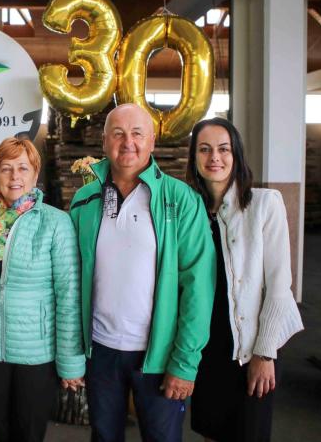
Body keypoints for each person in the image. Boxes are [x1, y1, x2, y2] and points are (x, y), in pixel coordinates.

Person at [69, 103, 216, 442]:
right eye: (118, 134)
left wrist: (185, 362)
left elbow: (198, 286)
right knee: (104, 436)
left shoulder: (180, 201)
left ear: (152, 142)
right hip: (100, 350)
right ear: (104, 142)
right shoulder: (84, 200)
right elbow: (69, 280)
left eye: (137, 134)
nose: (128, 142)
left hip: (160, 354)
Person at [186, 117, 304, 442]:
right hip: (208, 346)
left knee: (248, 433)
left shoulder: (264, 204)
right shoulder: (192, 210)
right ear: (194, 158)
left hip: (248, 346)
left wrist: (265, 355)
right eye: (205, 150)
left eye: (224, 149)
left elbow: (280, 289)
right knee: (212, 430)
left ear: (236, 154)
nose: (215, 158)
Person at [0, 137, 85, 442]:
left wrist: (70, 362)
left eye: (23, 168)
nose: (14, 176)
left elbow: (68, 295)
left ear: (35, 174)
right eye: (6, 168)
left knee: (29, 433)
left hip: (36, 353)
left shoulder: (55, 222)